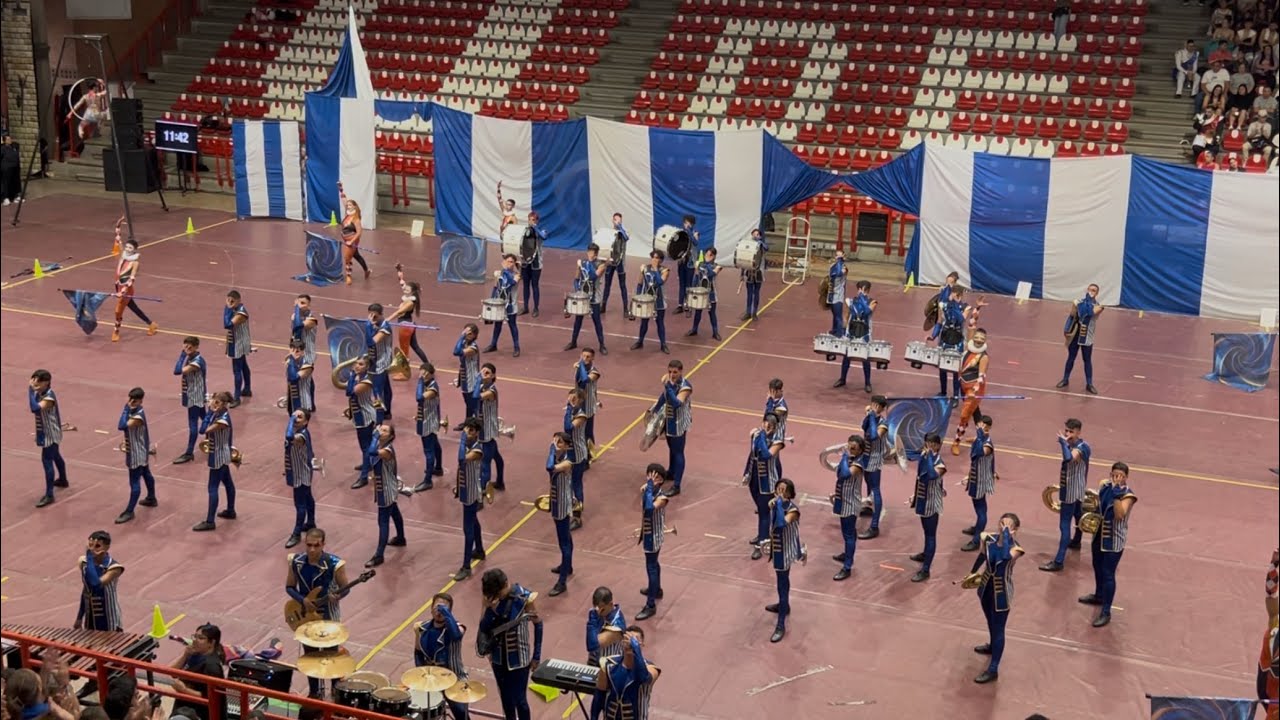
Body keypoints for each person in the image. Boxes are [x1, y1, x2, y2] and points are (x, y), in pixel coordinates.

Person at [286, 528, 351, 697]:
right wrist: (302, 600)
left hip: (329, 616)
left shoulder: (335, 564)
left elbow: (345, 589)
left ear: (323, 544)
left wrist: (337, 597)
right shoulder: (296, 562)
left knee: (332, 656)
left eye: (316, 545)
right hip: (307, 617)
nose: (312, 549)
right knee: (311, 657)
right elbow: (289, 587)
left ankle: (336, 691)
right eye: (309, 545)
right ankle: (314, 692)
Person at [477, 569, 542, 720]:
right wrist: (488, 608)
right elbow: (484, 627)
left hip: (519, 658)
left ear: (506, 583)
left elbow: (538, 624)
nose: (497, 597)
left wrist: (536, 655)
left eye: (499, 593)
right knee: (506, 700)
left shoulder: (525, 598)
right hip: (498, 657)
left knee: (520, 700)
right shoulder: (490, 598)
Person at [1079, 462, 1137, 627]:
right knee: (1097, 566)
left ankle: (1106, 611)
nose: (1116, 478)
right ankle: (1098, 595)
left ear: (1126, 477)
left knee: (1108, 573)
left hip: (1114, 539)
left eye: (1120, 475)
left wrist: (1117, 493)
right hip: (1099, 534)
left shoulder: (1128, 495)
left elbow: (1119, 515)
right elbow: (1098, 505)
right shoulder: (1104, 485)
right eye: (1114, 474)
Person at [970, 513, 1025, 685]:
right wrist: (972, 572)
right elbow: (981, 556)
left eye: (1008, 525)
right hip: (986, 587)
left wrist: (1007, 535)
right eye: (1002, 523)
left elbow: (1005, 557)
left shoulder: (1016, 549)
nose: (1003, 527)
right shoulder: (987, 538)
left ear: (1015, 530)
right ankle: (992, 644)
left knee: (999, 627)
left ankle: (993, 669)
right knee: (990, 621)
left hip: (1002, 592)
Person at [1041, 418, 1090, 572]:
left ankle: (1059, 560)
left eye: (1071, 431)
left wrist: (1063, 443)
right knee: (1078, 514)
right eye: (1066, 431)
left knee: (1064, 524)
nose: (1068, 434)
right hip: (1076, 488)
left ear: (1078, 432)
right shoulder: (1075, 445)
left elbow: (1069, 459)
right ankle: (1076, 541)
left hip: (1071, 491)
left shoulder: (1082, 447)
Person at [414, 593, 470, 720]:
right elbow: (418, 652)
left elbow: (455, 635)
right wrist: (422, 676)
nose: (439, 611)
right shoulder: (421, 628)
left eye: (444, 608)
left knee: (461, 713)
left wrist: (446, 613)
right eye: (437, 606)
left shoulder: (459, 627)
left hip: (455, 678)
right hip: (432, 679)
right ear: (431, 608)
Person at [766, 478, 803, 643]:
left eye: (783, 490)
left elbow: (781, 524)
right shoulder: (776, 505)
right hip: (777, 549)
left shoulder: (793, 510)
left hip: (786, 552)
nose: (779, 492)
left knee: (782, 583)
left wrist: (779, 503)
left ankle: (780, 625)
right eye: (778, 489)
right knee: (781, 579)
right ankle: (784, 606)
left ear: (789, 493)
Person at [194, 391, 237, 532]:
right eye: (213, 400)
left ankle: (210, 521)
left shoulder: (222, 420)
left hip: (218, 455)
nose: (213, 403)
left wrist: (209, 413)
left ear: (224, 405)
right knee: (228, 482)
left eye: (217, 402)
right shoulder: (219, 415)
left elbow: (203, 430)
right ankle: (230, 510)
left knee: (212, 488)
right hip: (221, 453)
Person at [367, 422, 407, 568]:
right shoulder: (380, 446)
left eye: (384, 431)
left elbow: (371, 452)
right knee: (394, 513)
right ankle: (401, 537)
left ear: (390, 437)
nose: (380, 431)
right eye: (380, 429)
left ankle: (379, 555)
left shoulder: (387, 450)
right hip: (384, 487)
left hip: (386, 489)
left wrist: (375, 436)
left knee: (383, 521)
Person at [596, 628, 659, 720]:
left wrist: (636, 649)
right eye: (628, 639)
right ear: (622, 642)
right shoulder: (609, 664)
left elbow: (643, 677)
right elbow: (599, 694)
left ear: (642, 644)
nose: (631, 643)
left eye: (636, 639)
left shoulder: (651, 668)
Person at [908, 433, 947, 583]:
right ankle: (925, 553)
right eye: (926, 443)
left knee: (931, 535)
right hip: (923, 501)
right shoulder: (924, 458)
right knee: (925, 531)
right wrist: (915, 496)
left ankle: (926, 570)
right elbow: (920, 479)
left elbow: (931, 475)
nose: (927, 446)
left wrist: (929, 456)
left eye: (931, 444)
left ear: (937, 445)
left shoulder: (940, 464)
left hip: (932, 504)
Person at [650, 360, 692, 496]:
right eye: (670, 372)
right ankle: (672, 472)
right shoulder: (670, 382)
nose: (672, 375)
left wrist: (668, 385)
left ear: (681, 371)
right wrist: (655, 410)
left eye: (675, 372)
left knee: (678, 452)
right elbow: (665, 396)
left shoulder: (686, 387)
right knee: (671, 449)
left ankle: (677, 485)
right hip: (669, 420)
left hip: (679, 423)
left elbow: (675, 403)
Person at [116, 387, 157, 524]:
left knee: (134, 482)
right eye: (129, 399)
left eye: (133, 400)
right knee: (146, 473)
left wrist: (126, 409)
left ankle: (129, 511)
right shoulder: (136, 411)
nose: (130, 402)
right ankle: (151, 497)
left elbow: (121, 426)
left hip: (136, 453)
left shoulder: (138, 415)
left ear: (140, 401)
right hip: (140, 449)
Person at [746, 414, 785, 561]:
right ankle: (764, 534)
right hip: (755, 477)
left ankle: (761, 544)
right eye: (764, 424)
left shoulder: (777, 441)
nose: (765, 428)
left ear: (774, 428)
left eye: (769, 426)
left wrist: (760, 436)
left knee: (764, 512)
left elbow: (765, 455)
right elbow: (752, 455)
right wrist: (746, 473)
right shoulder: (757, 435)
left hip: (768, 481)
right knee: (762, 509)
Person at [635, 464, 670, 622]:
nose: (649, 479)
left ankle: (650, 605)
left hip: (654, 536)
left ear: (661, 480)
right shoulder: (648, 490)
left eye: (654, 476)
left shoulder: (662, 498)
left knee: (651, 567)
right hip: (648, 532)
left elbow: (649, 509)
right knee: (654, 564)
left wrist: (648, 488)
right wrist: (648, 487)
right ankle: (656, 590)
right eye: (648, 475)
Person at [454, 418, 487, 582]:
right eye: (466, 429)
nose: (467, 433)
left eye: (471, 431)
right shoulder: (468, 446)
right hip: (466, 489)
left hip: (472, 492)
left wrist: (461, 439)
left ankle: (466, 566)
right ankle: (479, 549)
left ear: (477, 433)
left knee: (467, 528)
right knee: (473, 521)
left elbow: (461, 459)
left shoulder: (476, 449)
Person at [170, 624, 227, 720]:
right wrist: (185, 655)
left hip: (199, 713)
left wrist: (184, 690)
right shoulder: (194, 654)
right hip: (184, 706)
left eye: (201, 638)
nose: (195, 640)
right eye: (195, 636)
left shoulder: (212, 667)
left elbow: (211, 697)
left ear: (211, 643)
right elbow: (172, 672)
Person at [30, 369, 69, 508]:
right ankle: (63, 479)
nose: (35, 383)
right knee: (56, 456)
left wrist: (30, 390)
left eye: (37, 381)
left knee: (47, 460)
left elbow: (34, 409)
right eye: (33, 380)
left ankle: (49, 494)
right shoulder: (40, 393)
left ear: (46, 383)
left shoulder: (49, 397)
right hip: (47, 431)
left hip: (50, 433)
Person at [586, 587, 626, 720]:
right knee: (595, 709)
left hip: (613, 674)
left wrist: (592, 622)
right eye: (597, 608)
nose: (600, 612)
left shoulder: (617, 623)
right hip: (599, 669)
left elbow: (592, 645)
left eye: (602, 608)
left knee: (609, 711)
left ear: (610, 604)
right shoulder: (598, 613)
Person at [831, 435, 866, 582]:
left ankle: (847, 566)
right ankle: (847, 554)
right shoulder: (851, 460)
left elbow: (845, 474)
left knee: (848, 535)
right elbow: (839, 473)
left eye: (854, 448)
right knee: (849, 532)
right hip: (843, 499)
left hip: (850, 503)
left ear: (860, 450)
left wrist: (844, 456)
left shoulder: (858, 463)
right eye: (849, 447)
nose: (851, 450)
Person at [1057, 284, 1104, 395]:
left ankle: (1089, 383)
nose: (1091, 291)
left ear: (1097, 293)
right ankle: (1065, 379)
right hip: (1075, 335)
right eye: (1090, 289)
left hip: (1087, 336)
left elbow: (1086, 312)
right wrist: (1066, 329)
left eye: (1094, 290)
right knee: (1071, 357)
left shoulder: (1099, 306)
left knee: (1087, 360)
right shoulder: (1078, 302)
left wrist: (1082, 304)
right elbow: (1072, 315)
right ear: (1087, 290)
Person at [950, 327, 991, 455]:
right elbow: (971, 326)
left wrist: (974, 391)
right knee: (976, 414)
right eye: (977, 337)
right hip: (964, 386)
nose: (978, 340)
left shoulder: (983, 357)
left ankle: (956, 441)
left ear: (985, 341)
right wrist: (976, 310)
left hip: (974, 390)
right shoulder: (968, 349)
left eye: (982, 339)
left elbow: (981, 376)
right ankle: (982, 437)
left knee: (964, 416)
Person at [928, 285, 971, 403]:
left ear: (960, 295)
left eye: (956, 295)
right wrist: (933, 335)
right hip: (945, 338)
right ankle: (943, 392)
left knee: (956, 369)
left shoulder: (965, 307)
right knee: (942, 367)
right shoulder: (943, 305)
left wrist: (955, 305)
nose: (953, 296)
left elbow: (961, 319)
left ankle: (956, 396)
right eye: (952, 294)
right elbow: (939, 322)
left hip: (957, 340)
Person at [111, 239, 158, 343]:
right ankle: (151, 324)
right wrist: (118, 232)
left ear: (135, 250)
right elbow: (120, 245)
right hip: (118, 287)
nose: (127, 249)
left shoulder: (135, 263)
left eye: (130, 248)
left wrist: (123, 291)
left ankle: (116, 331)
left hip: (127, 289)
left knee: (118, 311)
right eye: (127, 247)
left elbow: (131, 280)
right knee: (134, 308)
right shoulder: (122, 257)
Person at [961, 416, 997, 552]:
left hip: (981, 480)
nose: (977, 427)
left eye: (980, 425)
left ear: (987, 427)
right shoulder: (980, 439)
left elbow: (982, 452)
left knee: (981, 510)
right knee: (977, 506)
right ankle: (977, 527)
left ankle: (976, 539)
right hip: (975, 477)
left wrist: (980, 435)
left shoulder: (987, 443)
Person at [76, 530, 124, 630]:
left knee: (110, 644)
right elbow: (86, 590)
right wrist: (79, 617)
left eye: (97, 546)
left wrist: (89, 556)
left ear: (107, 548)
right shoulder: (83, 563)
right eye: (90, 545)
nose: (92, 549)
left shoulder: (114, 568)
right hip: (91, 618)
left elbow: (95, 584)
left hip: (109, 618)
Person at [546, 432, 575, 596]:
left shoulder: (566, 462)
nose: (557, 444)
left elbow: (549, 467)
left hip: (562, 505)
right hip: (557, 501)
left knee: (564, 542)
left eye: (560, 442)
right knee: (566, 539)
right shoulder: (558, 458)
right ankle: (567, 566)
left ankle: (562, 581)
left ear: (567, 446)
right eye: (555, 441)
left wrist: (551, 449)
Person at [172, 337, 208, 465]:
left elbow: (177, 371)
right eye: (185, 346)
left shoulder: (196, 362)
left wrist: (182, 355)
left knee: (193, 424)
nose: (187, 349)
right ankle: (214, 439)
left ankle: (189, 452)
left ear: (196, 347)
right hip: (195, 394)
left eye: (190, 347)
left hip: (195, 396)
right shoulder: (193, 358)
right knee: (205, 418)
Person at [834, 279, 876, 391]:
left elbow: (866, 312)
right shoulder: (850, 301)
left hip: (865, 333)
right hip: (851, 332)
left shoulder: (873, 302)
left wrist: (862, 298)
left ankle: (867, 383)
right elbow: (846, 316)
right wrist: (843, 330)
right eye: (860, 289)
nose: (861, 292)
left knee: (865, 358)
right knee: (846, 356)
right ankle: (842, 378)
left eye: (864, 290)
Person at [346, 357, 380, 490]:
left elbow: (350, 392)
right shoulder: (358, 378)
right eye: (356, 363)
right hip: (358, 415)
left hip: (366, 416)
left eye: (361, 364)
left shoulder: (366, 381)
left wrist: (351, 375)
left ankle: (364, 476)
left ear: (367, 367)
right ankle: (368, 464)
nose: (357, 366)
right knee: (363, 445)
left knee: (366, 446)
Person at [566, 244, 608, 353]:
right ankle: (573, 341)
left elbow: (593, 276)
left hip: (594, 298)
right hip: (583, 297)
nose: (590, 253)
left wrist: (588, 262)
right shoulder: (582, 263)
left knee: (597, 321)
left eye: (593, 252)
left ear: (596, 253)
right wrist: (578, 291)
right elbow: (576, 279)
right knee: (578, 320)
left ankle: (602, 344)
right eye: (589, 251)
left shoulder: (601, 265)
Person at [858, 396, 889, 539]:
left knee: (875, 489)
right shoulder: (870, 417)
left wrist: (871, 415)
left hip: (875, 458)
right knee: (868, 482)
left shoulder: (883, 423)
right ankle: (869, 507)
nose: (873, 406)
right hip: (865, 455)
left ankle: (874, 526)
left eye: (877, 405)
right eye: (873, 404)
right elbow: (863, 427)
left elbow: (873, 436)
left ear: (881, 408)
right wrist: (869, 415)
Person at [284, 409, 317, 548]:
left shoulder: (301, 435)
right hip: (298, 470)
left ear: (306, 422)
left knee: (300, 504)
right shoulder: (299, 432)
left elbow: (289, 437)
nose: (296, 418)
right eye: (294, 416)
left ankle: (296, 533)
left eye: (300, 417)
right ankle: (311, 522)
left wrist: (290, 421)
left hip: (301, 474)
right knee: (308, 497)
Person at [413, 362, 445, 492]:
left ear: (431, 375)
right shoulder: (426, 385)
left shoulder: (432, 387)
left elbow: (419, 398)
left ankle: (427, 481)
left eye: (425, 372)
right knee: (435, 445)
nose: (422, 374)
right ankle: (438, 468)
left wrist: (420, 381)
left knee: (428, 451)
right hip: (425, 419)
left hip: (429, 422)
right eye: (421, 371)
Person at [474, 363, 506, 491]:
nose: (483, 375)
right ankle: (500, 481)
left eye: (487, 373)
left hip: (486, 430)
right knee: (496, 456)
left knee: (485, 463)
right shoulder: (482, 387)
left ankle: (482, 492)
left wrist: (477, 380)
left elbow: (476, 397)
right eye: (482, 372)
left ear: (493, 376)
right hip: (484, 427)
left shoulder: (491, 391)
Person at [631, 250, 670, 353]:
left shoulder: (665, 270)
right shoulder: (645, 268)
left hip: (658, 301)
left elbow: (660, 282)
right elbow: (640, 283)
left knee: (660, 322)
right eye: (653, 257)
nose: (654, 259)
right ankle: (640, 341)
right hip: (646, 300)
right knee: (644, 322)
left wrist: (656, 269)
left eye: (657, 258)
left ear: (661, 260)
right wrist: (638, 296)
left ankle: (663, 344)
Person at [390, 267, 430, 365]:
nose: (404, 290)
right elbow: (402, 282)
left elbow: (399, 312)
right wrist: (399, 271)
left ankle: (404, 370)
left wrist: (387, 319)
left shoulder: (410, 302)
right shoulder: (408, 296)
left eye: (407, 289)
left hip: (405, 326)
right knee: (415, 346)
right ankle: (427, 364)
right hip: (409, 325)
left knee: (404, 350)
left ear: (412, 291)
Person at [485, 255, 522, 358]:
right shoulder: (499, 274)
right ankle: (493, 344)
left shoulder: (516, 275)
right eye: (508, 261)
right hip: (500, 304)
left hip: (510, 305)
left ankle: (516, 347)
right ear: (504, 261)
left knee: (512, 326)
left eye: (511, 262)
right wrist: (491, 301)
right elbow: (496, 287)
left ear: (514, 264)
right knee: (497, 325)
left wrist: (514, 269)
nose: (509, 264)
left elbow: (511, 283)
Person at [564, 389, 590, 530]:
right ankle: (571, 505)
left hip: (578, 453)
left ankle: (577, 516)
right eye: (569, 399)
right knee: (569, 482)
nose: (570, 402)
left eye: (573, 399)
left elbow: (568, 428)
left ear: (580, 400)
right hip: (570, 452)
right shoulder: (572, 412)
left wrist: (568, 409)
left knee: (576, 483)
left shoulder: (581, 415)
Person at [223, 290, 253, 407]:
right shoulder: (235, 310)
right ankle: (247, 388)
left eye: (232, 301)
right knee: (243, 365)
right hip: (236, 341)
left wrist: (227, 308)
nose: (230, 303)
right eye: (228, 300)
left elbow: (227, 324)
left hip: (238, 343)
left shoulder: (241, 313)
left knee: (237, 369)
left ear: (239, 301)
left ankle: (236, 397)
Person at [365, 303, 395, 417]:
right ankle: (387, 411)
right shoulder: (374, 324)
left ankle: (379, 415)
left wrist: (368, 326)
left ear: (381, 315)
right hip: (375, 359)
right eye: (370, 315)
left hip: (381, 361)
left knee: (377, 390)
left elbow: (371, 342)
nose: (372, 319)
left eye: (375, 316)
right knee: (386, 386)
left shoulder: (385, 327)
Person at [337, 182, 370, 284]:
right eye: (347, 205)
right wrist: (341, 189)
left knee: (347, 257)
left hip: (352, 240)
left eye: (350, 205)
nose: (348, 206)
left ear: (355, 207)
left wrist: (351, 241)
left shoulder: (356, 219)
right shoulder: (347, 214)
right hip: (345, 239)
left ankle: (348, 276)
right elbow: (344, 200)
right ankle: (366, 270)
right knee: (356, 255)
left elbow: (359, 232)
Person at [686, 247, 721, 340]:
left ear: (713, 256)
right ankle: (694, 329)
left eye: (710, 255)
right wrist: (692, 289)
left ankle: (715, 332)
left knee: (712, 313)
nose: (707, 256)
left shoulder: (717, 266)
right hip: (700, 292)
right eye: (706, 254)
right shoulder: (700, 264)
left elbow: (711, 274)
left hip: (711, 292)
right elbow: (696, 276)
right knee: (698, 311)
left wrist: (706, 264)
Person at [519, 212, 547, 318]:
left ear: (537, 221)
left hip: (536, 263)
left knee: (534, 285)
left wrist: (535, 228)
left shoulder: (541, 230)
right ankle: (525, 306)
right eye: (530, 219)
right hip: (526, 262)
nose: (531, 221)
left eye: (534, 220)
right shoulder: (525, 231)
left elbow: (543, 237)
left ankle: (536, 308)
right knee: (525, 285)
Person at [601, 213, 629, 315]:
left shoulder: (623, 232)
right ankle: (603, 305)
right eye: (616, 220)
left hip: (620, 262)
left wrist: (620, 227)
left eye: (619, 220)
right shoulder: (609, 233)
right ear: (612, 220)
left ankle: (625, 308)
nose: (617, 222)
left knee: (622, 286)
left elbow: (626, 238)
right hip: (610, 262)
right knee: (607, 285)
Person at [453, 323, 481, 423]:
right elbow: (462, 365)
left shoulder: (473, 347)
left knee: (473, 405)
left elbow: (456, 352)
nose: (466, 335)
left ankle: (476, 424)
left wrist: (461, 336)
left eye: (468, 333)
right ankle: (467, 422)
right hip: (465, 379)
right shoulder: (464, 343)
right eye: (465, 332)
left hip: (472, 380)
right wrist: (459, 380)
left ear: (474, 335)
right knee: (467, 404)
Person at [574, 348, 601, 449]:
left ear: (593, 358)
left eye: (588, 356)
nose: (585, 358)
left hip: (588, 405)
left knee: (588, 431)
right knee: (578, 429)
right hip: (578, 403)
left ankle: (591, 452)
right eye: (583, 356)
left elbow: (585, 380)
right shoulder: (579, 368)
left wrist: (580, 364)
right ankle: (581, 449)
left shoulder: (594, 372)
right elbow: (577, 383)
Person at [739, 228, 766, 321]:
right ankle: (748, 312)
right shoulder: (748, 246)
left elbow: (767, 248)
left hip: (758, 273)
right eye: (753, 235)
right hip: (750, 273)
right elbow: (743, 260)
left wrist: (760, 242)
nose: (755, 237)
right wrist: (742, 274)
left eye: (757, 235)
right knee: (749, 294)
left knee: (756, 293)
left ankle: (754, 312)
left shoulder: (761, 246)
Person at [68, 80, 105, 144]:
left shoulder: (85, 96)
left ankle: (82, 131)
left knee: (81, 126)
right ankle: (97, 129)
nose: (97, 88)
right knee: (104, 116)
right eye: (96, 87)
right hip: (96, 113)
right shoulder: (98, 95)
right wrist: (103, 83)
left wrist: (70, 113)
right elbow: (106, 91)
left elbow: (77, 105)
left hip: (89, 113)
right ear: (94, 88)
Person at [285, 339, 315, 414]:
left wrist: (291, 361)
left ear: (302, 352)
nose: (294, 353)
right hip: (292, 400)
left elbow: (293, 378)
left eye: (297, 351)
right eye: (292, 350)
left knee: (299, 423)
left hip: (303, 402)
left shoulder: (307, 366)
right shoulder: (291, 363)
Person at [825, 250, 847, 335]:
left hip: (838, 295)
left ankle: (839, 333)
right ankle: (834, 330)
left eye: (840, 256)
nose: (838, 258)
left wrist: (840, 261)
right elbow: (831, 275)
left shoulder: (844, 268)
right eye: (837, 256)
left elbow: (838, 274)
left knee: (838, 316)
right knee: (834, 314)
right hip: (831, 294)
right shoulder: (832, 266)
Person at [291, 294, 318, 366]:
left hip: (307, 354)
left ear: (308, 306)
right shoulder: (294, 316)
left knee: (302, 376)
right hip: (296, 352)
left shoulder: (312, 320)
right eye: (298, 303)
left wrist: (296, 308)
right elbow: (294, 335)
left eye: (303, 303)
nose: (300, 305)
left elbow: (298, 326)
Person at [0, 132, 21, 205]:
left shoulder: (13, 147)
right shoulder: (3, 148)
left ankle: (14, 197)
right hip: (6, 168)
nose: (10, 140)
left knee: (13, 183)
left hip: (14, 168)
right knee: (6, 183)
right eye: (8, 139)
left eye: (10, 139)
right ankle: (5, 198)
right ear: (5, 141)